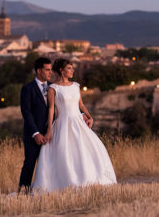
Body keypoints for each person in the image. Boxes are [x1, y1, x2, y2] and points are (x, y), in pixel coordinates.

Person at [31, 58, 117, 192]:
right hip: (63, 123)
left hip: (79, 123)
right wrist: (49, 130)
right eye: (69, 68)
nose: (72, 71)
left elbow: (81, 104)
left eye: (72, 68)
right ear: (61, 70)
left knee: (87, 151)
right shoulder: (53, 88)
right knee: (65, 154)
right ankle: (66, 184)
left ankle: (90, 182)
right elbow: (51, 110)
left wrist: (89, 116)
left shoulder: (76, 86)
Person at [18, 57, 52, 193]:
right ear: (39, 71)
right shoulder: (27, 89)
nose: (50, 73)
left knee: (49, 164)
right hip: (33, 134)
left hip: (51, 134)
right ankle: (23, 192)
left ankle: (47, 191)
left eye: (51, 70)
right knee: (30, 164)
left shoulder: (53, 87)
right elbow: (26, 113)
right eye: (47, 70)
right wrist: (36, 133)